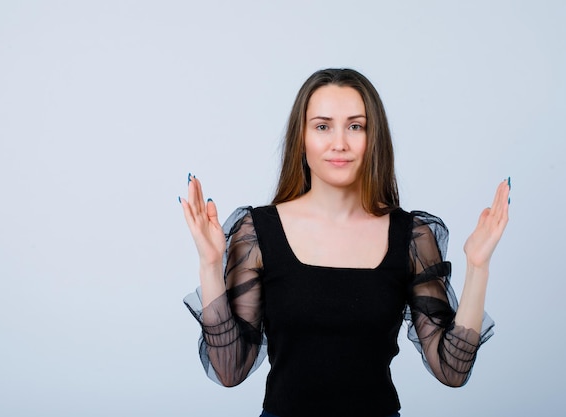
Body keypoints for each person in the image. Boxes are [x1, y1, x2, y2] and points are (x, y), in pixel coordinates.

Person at [180, 68, 510, 417]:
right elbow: (230, 371)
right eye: (323, 126)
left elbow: (452, 370)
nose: (339, 143)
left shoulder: (411, 235)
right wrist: (210, 264)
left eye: (356, 126)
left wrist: (477, 267)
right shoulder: (258, 232)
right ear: (302, 138)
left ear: (374, 138)